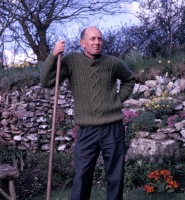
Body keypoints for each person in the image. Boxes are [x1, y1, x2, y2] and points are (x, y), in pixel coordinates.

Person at [40, 26, 135, 200]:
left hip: (113, 128)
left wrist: (117, 100)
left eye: (99, 38)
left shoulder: (112, 62)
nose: (97, 42)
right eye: (92, 39)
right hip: (86, 130)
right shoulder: (71, 60)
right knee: (82, 177)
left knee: (115, 177)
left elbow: (129, 79)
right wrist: (53, 55)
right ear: (82, 42)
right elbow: (46, 81)